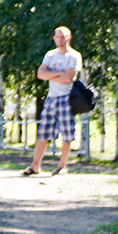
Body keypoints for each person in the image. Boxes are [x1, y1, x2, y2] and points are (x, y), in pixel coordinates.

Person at [24, 26, 82, 176]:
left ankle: (62, 166)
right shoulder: (50, 55)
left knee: (67, 133)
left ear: (69, 38)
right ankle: (35, 166)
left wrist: (51, 74)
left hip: (67, 98)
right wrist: (58, 74)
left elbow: (68, 77)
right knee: (43, 131)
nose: (60, 39)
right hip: (51, 98)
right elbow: (40, 74)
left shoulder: (74, 56)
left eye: (63, 36)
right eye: (57, 36)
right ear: (54, 38)